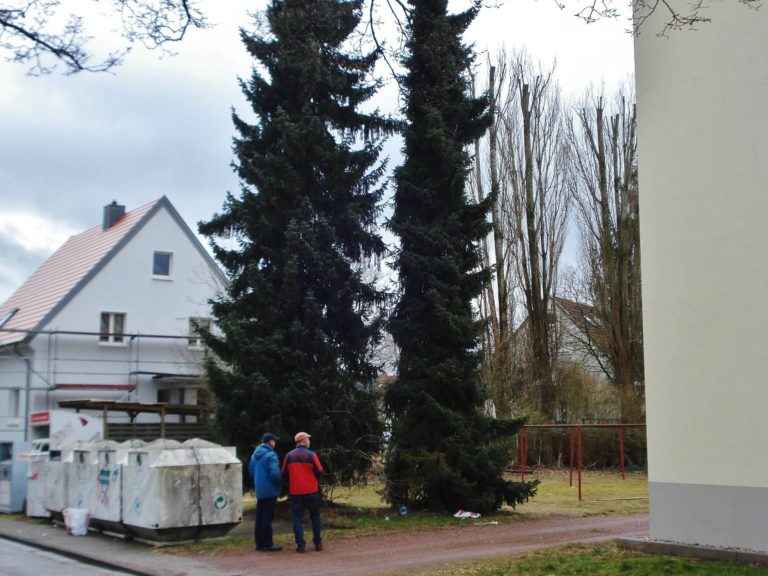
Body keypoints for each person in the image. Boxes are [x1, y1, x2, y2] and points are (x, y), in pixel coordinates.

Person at [281, 431, 324, 552]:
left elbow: (283, 473)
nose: (309, 441)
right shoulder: (311, 455)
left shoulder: (289, 456)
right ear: (302, 441)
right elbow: (320, 470)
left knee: (297, 518)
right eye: (308, 439)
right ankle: (318, 543)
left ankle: (300, 545)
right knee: (315, 517)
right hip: (311, 491)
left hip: (296, 492)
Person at [249, 432, 283, 552]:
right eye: (274, 440)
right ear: (270, 442)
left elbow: (251, 471)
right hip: (270, 489)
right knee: (268, 517)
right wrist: (279, 483)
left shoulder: (255, 455)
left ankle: (259, 543)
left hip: (260, 488)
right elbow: (275, 473)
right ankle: (268, 543)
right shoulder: (271, 455)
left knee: (260, 517)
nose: (275, 442)